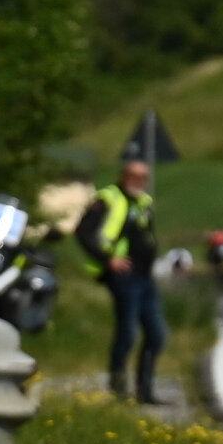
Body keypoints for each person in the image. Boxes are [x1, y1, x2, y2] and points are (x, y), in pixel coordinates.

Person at [85, 148, 165, 402]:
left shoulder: (144, 203)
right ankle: (118, 386)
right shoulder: (107, 199)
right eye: (134, 176)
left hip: (144, 276)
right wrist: (108, 260)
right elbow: (83, 232)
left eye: (143, 178)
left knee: (156, 334)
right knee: (127, 332)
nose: (139, 182)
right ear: (123, 175)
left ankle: (145, 389)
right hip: (123, 276)